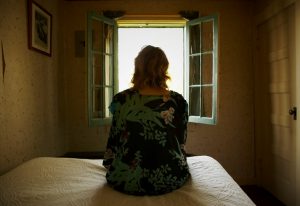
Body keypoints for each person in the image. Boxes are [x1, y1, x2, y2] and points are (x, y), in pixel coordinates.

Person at [103, 45, 190, 195]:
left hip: (126, 178)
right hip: (170, 177)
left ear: (138, 67)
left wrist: (111, 164)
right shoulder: (177, 101)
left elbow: (115, 138)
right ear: (164, 69)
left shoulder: (121, 99)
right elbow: (180, 140)